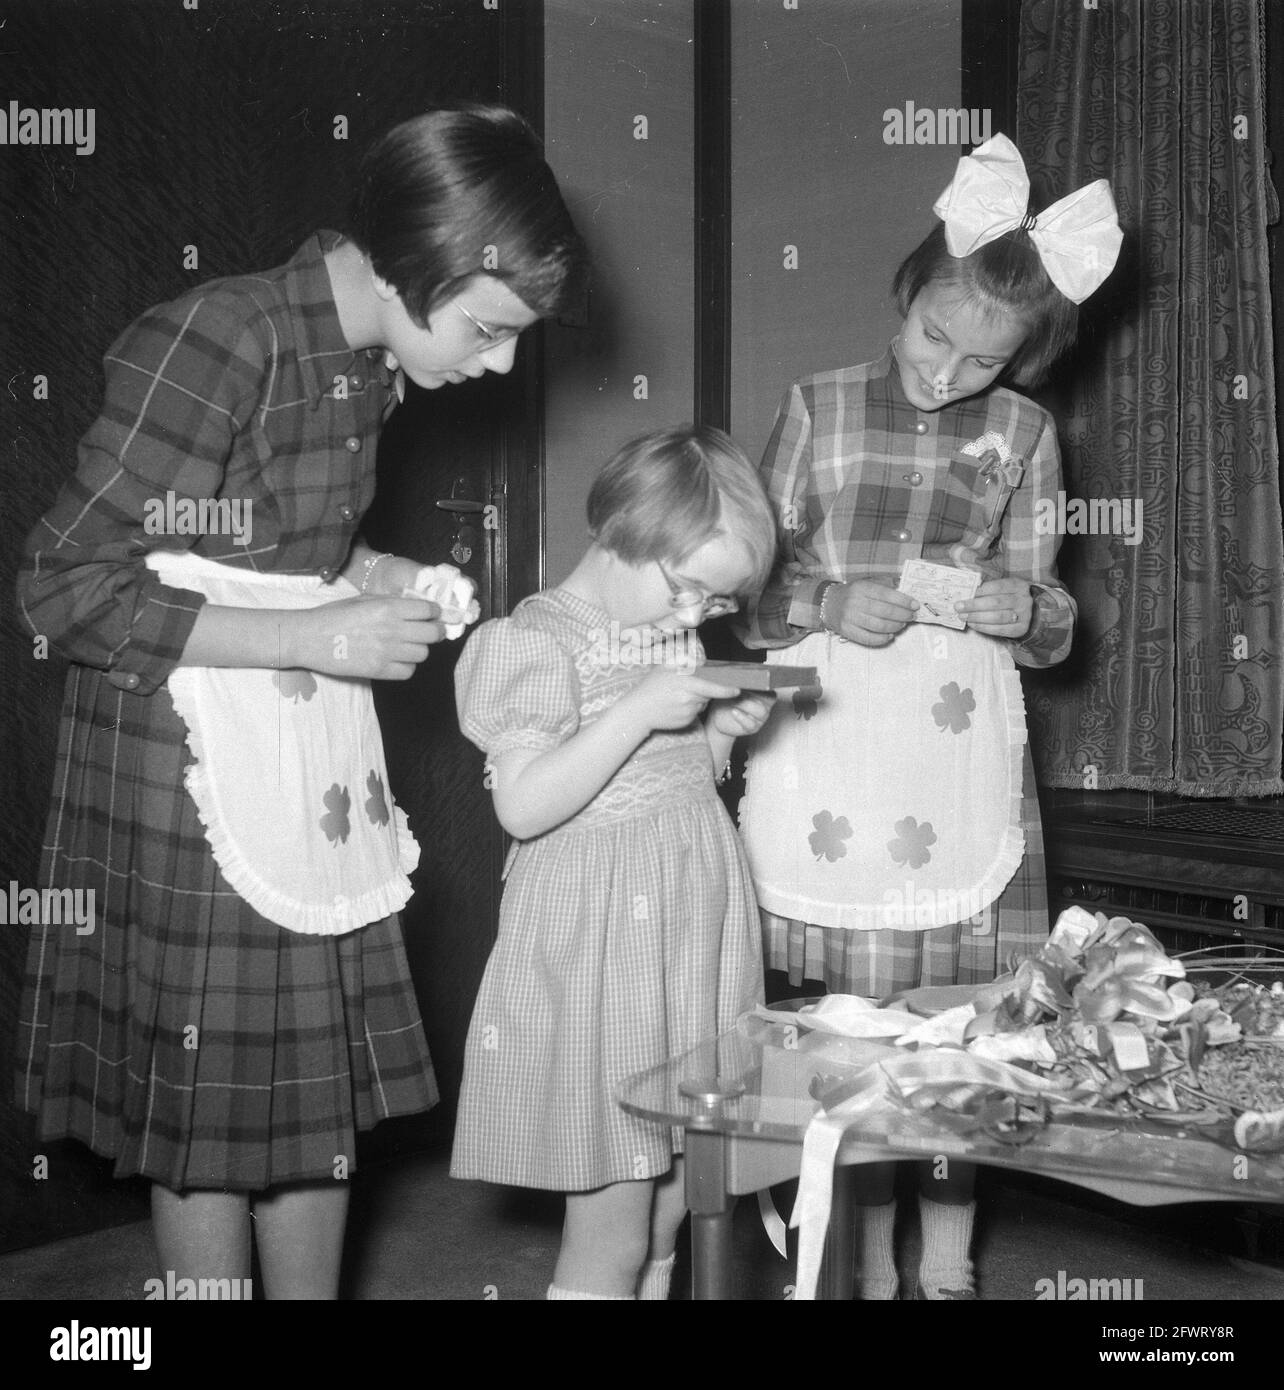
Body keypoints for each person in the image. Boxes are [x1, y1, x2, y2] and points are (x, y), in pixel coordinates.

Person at [13, 104, 586, 1299]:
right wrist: (319, 630)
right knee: (209, 1107)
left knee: (307, 1086)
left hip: (303, 762)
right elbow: (64, 587)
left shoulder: (368, 361)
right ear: (410, 266)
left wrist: (381, 577)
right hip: (186, 766)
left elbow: (274, 549)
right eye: (487, 329)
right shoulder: (219, 336)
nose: (497, 364)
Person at [736, 135, 1121, 1300]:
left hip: (956, 754)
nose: (947, 371)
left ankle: (947, 1264)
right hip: (834, 744)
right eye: (931, 337)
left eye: (982, 360)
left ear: (1028, 363)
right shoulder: (815, 405)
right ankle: (845, 1253)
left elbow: (1056, 624)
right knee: (853, 1024)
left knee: (958, 1026)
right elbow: (744, 594)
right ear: (907, 293)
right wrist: (821, 597)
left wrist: (1024, 603)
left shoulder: (1029, 438)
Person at [451, 425, 777, 1300]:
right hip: (603, 944)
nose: (694, 619)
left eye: (715, 605)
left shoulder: (667, 635)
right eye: (687, 591)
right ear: (622, 532)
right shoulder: (533, 642)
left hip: (686, 922)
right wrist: (638, 712)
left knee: (681, 1181)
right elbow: (525, 806)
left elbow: (659, 782)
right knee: (617, 1204)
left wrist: (712, 734)